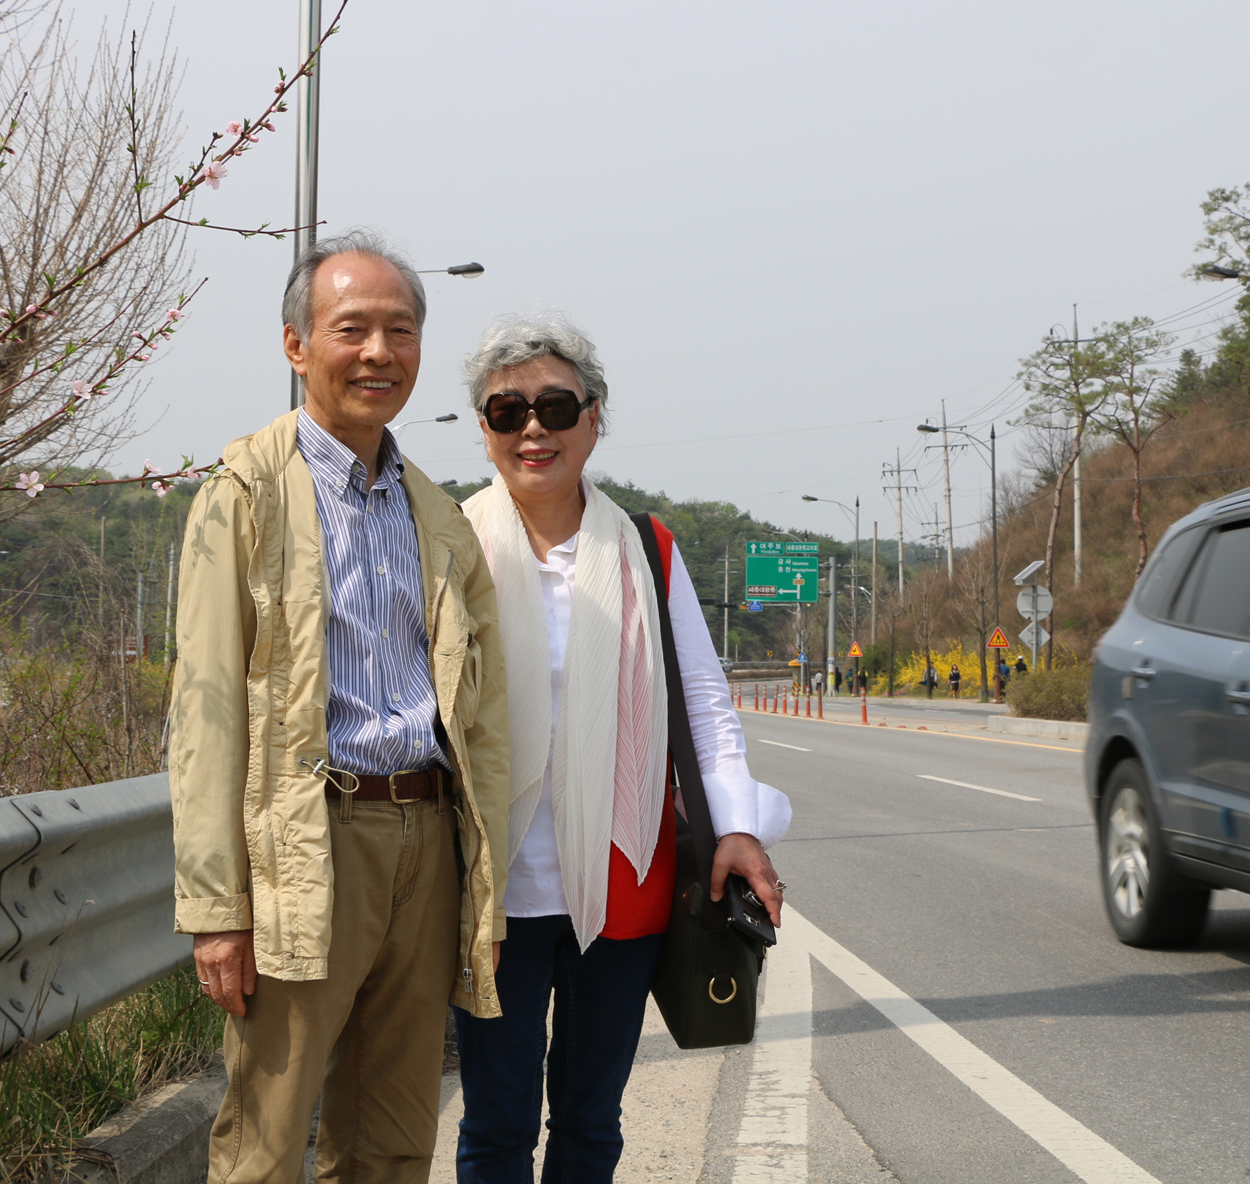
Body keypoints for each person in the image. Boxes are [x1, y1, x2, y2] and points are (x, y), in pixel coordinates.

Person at [169, 232, 511, 1184]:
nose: (378, 353)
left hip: (426, 839)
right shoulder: (245, 493)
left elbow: (481, 720)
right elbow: (204, 717)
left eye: (400, 331)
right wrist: (217, 909)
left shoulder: (436, 514)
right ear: (296, 344)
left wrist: (482, 883)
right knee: (267, 1139)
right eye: (351, 329)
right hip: (307, 841)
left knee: (394, 1137)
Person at [455, 313, 791, 1182]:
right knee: (495, 1124)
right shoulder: (448, 544)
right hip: (491, 889)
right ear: (485, 429)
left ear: (594, 418)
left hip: (622, 882)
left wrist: (736, 826)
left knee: (590, 1120)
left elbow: (703, 700)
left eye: (557, 407)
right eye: (508, 411)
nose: (534, 429)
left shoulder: (646, 547)